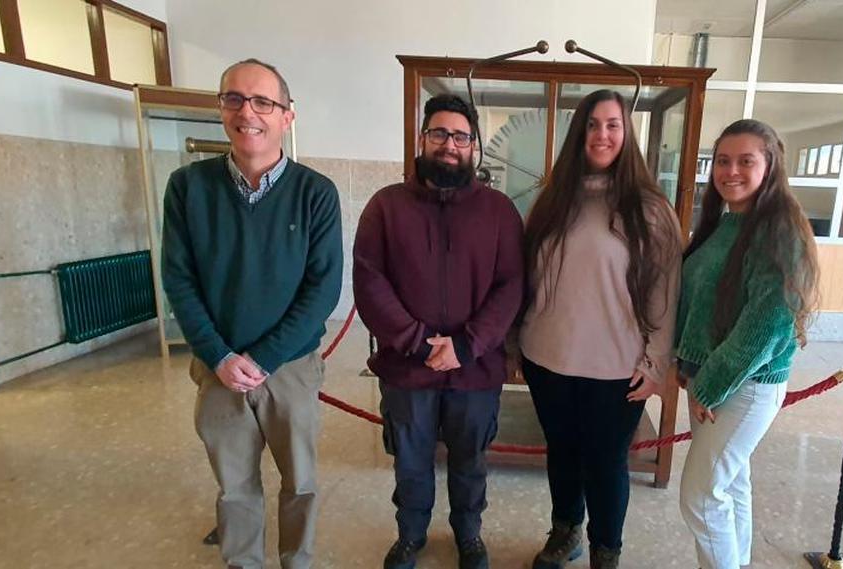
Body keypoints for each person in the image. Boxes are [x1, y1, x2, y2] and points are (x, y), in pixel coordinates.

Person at [162, 58, 343, 569]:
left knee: (301, 480)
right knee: (234, 486)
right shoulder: (188, 188)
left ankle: (296, 560)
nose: (248, 112)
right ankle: (243, 562)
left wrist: (263, 356)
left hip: (290, 367)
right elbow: (178, 279)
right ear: (220, 109)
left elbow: (322, 290)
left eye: (264, 101)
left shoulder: (315, 193)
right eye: (234, 99)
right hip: (219, 368)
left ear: (288, 115)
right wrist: (218, 355)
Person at [353, 94, 524, 569]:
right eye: (440, 134)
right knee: (410, 462)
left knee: (471, 462)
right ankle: (410, 536)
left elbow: (511, 285)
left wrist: (466, 345)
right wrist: (417, 341)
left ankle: (469, 536)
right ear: (422, 140)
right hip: (408, 368)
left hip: (475, 368)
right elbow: (369, 280)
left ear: (475, 149)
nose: (450, 145)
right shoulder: (386, 207)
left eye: (461, 137)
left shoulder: (499, 211)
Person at [518, 89, 682, 569]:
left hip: (617, 367)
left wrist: (656, 363)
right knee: (562, 453)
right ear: (579, 134)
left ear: (627, 134)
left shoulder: (650, 209)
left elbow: (665, 293)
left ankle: (605, 551)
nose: (602, 134)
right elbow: (526, 277)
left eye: (613, 124)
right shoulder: (551, 202)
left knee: (607, 464)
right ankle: (565, 530)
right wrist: (515, 343)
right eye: (593, 124)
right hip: (547, 357)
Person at [675, 119, 820, 569]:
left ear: (770, 166)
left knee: (700, 498)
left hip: (745, 385)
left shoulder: (778, 232)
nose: (730, 171)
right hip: (714, 382)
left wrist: (709, 385)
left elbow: (768, 324)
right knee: (730, 486)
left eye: (745, 161)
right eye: (722, 160)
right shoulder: (725, 224)